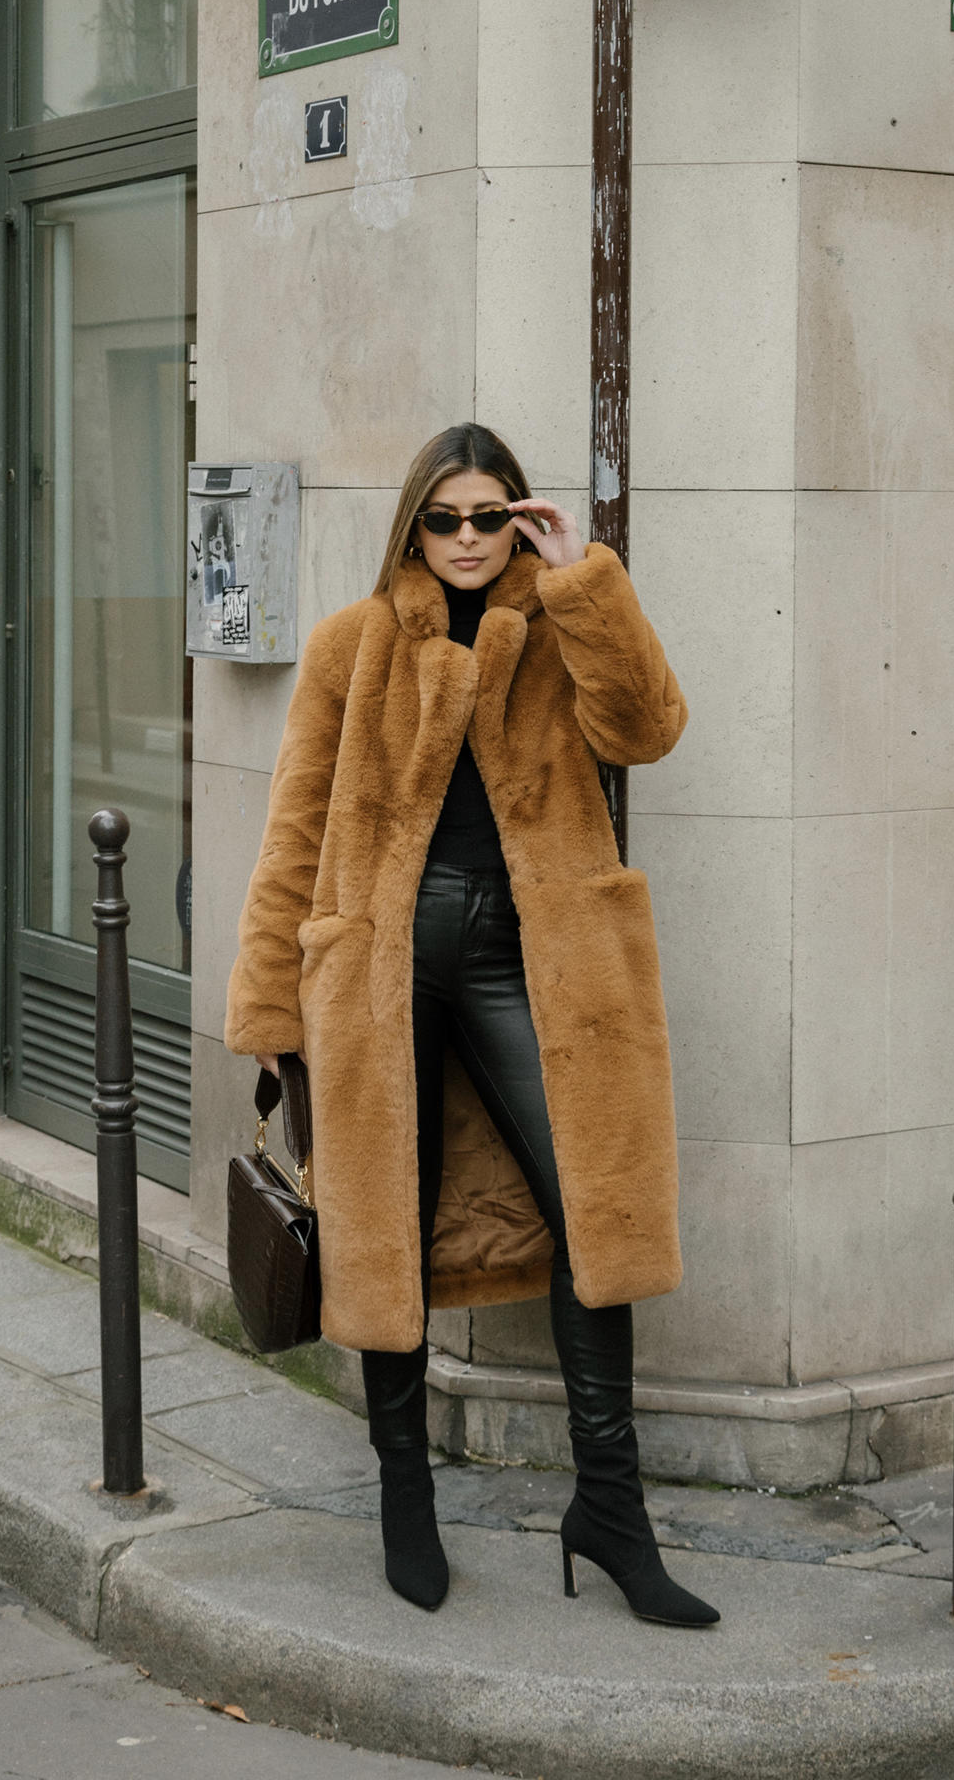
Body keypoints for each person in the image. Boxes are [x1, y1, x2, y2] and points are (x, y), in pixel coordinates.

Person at [225, 423, 717, 1627]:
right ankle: (406, 1495)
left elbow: (649, 727)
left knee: (593, 1209)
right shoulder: (351, 646)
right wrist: (272, 1000)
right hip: (380, 970)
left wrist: (582, 573)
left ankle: (611, 1510)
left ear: (518, 520)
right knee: (383, 1225)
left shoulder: (556, 627)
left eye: (487, 516)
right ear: (411, 525)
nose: (463, 539)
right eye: (442, 519)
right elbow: (295, 826)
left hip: (524, 959)